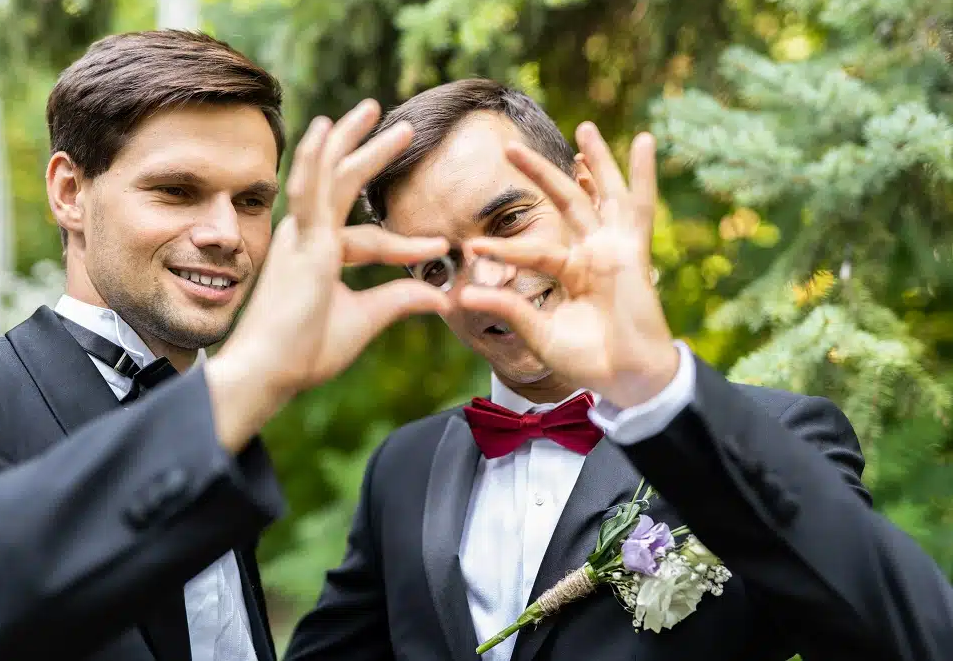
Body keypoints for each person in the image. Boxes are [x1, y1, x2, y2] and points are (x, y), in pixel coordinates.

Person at [284, 78, 953, 661]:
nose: (484, 280)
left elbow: (912, 641)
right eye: (439, 264)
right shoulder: (403, 469)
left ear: (583, 191)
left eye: (510, 220)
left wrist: (655, 394)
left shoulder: (772, 434)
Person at [0, 30, 451, 661]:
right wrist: (251, 376)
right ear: (70, 193)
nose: (225, 234)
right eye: (177, 191)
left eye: (251, 201)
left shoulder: (227, 428)